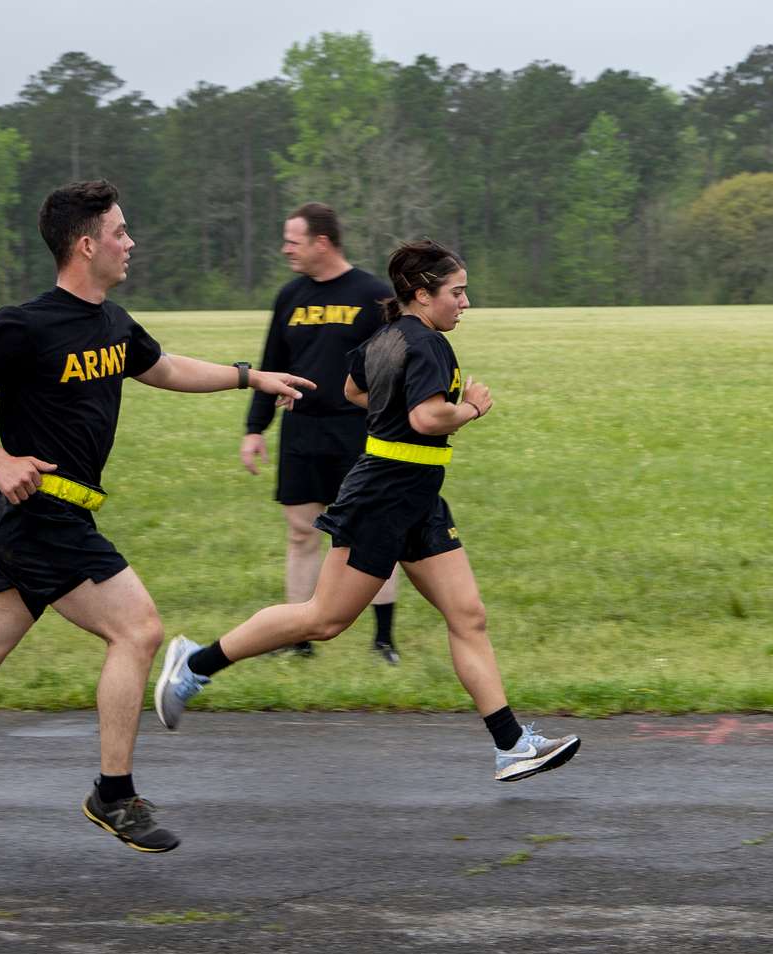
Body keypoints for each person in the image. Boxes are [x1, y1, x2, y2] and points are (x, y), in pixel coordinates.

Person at [0, 180, 313, 852]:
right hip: (41, 518)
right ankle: (113, 795)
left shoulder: (112, 324)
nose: (130, 242)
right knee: (139, 630)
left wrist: (249, 377)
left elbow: (163, 367)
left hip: (50, 521)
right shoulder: (25, 325)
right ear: (86, 245)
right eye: (119, 231)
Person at [153, 239, 580, 783]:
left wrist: (401, 413)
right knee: (323, 619)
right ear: (423, 295)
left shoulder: (387, 336)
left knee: (468, 615)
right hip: (383, 496)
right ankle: (195, 664)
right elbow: (428, 419)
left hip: (417, 495)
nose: (465, 302)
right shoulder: (427, 345)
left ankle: (511, 744)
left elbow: (357, 390)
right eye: (457, 291)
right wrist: (471, 407)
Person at [241, 203, 404, 663]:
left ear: (323, 242)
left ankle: (383, 640)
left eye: (293, 240)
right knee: (300, 532)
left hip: (359, 432)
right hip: (302, 433)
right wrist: (255, 429)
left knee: (370, 533)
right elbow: (269, 364)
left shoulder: (372, 294)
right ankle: (298, 639)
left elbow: (396, 365)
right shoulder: (289, 296)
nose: (285, 249)